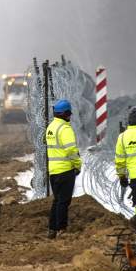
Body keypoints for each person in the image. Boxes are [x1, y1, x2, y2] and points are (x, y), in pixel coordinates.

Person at [45, 99, 82, 239]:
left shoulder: (51, 128)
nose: (70, 116)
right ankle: (61, 229)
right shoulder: (65, 129)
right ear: (66, 114)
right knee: (64, 201)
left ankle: (52, 229)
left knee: (57, 200)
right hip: (65, 170)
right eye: (69, 114)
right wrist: (78, 165)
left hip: (53, 171)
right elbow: (71, 150)